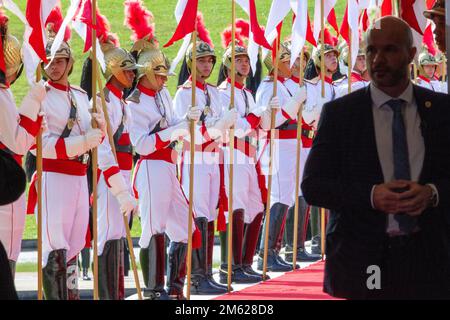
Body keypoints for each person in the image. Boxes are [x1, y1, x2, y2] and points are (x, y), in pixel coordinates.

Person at [301, 16, 450, 299]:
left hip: (430, 255)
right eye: (371, 51)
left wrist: (432, 193)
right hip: (363, 257)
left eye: (390, 49)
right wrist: (371, 196)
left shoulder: (441, 111)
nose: (378, 59)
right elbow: (313, 186)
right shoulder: (340, 114)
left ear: (411, 55)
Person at [27, 7, 107, 300]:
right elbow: (41, 146)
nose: (55, 67)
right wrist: (85, 140)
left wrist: (97, 124)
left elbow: (92, 138)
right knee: (54, 246)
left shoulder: (81, 96)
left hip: (78, 178)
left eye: (61, 60)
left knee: (74, 246)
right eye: (50, 62)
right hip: (54, 176)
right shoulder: (40, 96)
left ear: (69, 62)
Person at [173, 31, 237, 293]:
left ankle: (206, 273)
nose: (206, 66)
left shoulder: (213, 91)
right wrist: (215, 126)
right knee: (198, 212)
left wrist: (219, 126)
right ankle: (196, 276)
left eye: (210, 61)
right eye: (201, 61)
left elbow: (220, 123)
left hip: (213, 156)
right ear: (191, 63)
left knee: (210, 213)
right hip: (195, 156)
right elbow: (184, 128)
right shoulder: (184, 93)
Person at [217, 35, 272, 283]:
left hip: (248, 153)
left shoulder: (247, 94)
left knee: (257, 207)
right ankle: (231, 266)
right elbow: (238, 128)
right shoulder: (223, 93)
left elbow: (258, 127)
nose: (244, 65)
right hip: (232, 152)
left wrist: (266, 113)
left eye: (246, 61)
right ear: (228, 64)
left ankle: (245, 262)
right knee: (236, 207)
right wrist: (255, 117)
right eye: (238, 60)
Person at [0, 9, 46, 280]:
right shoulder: (2, 95)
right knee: (8, 253)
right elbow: (18, 142)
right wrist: (33, 101)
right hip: (5, 182)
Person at [255, 42, 306, 271]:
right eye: (285, 61)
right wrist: (293, 104)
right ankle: (266, 252)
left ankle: (274, 249)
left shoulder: (283, 85)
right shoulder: (269, 87)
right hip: (276, 143)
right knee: (278, 196)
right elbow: (269, 122)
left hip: (289, 143)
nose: (290, 65)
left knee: (286, 197)